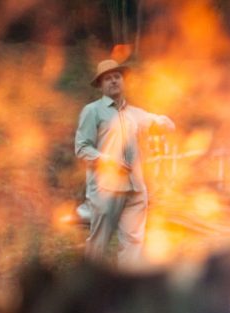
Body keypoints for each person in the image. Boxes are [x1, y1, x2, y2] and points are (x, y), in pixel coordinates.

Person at [75, 59, 175, 266]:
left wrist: (164, 121)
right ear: (101, 86)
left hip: (136, 190)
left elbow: (157, 122)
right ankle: (89, 290)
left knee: (133, 244)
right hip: (105, 190)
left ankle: (127, 290)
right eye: (108, 78)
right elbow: (82, 148)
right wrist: (108, 161)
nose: (113, 81)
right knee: (99, 245)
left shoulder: (136, 114)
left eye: (117, 77)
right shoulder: (92, 111)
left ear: (123, 81)